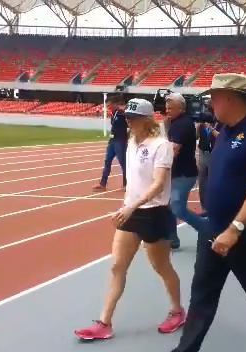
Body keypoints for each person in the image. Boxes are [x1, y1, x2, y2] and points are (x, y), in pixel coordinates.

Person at [172, 73, 246, 352]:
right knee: (201, 296)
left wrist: (235, 229)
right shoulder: (224, 129)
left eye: (213, 98)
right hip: (213, 229)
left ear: (228, 98)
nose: (210, 104)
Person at [75, 98, 186, 341]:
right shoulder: (131, 143)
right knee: (117, 267)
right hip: (131, 212)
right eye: (127, 118)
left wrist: (134, 205)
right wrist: (127, 204)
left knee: (161, 266)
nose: (129, 122)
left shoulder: (162, 145)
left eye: (133, 119)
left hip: (154, 213)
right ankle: (104, 322)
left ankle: (177, 311)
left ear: (147, 120)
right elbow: (134, 181)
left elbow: (158, 184)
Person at [165, 92, 208, 249]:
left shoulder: (181, 124)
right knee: (169, 206)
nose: (167, 110)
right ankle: (172, 239)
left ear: (181, 108)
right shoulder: (177, 123)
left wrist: (157, 166)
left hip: (183, 174)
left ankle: (207, 229)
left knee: (177, 208)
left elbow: (173, 150)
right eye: (166, 107)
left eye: (170, 108)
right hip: (179, 172)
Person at [94, 98, 128, 191]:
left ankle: (127, 184)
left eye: (109, 105)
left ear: (115, 104)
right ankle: (103, 184)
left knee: (123, 163)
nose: (108, 107)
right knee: (107, 161)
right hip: (112, 141)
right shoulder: (113, 114)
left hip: (121, 141)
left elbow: (129, 122)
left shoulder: (121, 113)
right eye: (107, 106)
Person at [196, 111, 220, 215]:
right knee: (202, 182)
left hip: (214, 154)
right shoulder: (201, 126)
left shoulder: (219, 125)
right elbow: (196, 137)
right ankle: (204, 207)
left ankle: (214, 206)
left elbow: (221, 137)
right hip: (203, 153)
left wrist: (211, 128)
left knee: (213, 181)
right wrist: (198, 127)